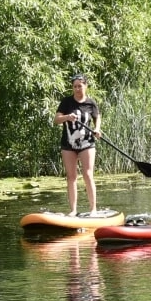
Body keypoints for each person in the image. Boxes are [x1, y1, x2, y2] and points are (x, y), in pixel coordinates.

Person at [53, 73, 100, 217]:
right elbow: (56, 120)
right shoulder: (66, 102)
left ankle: (93, 209)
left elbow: (97, 117)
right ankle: (73, 210)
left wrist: (97, 129)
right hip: (68, 144)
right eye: (75, 86)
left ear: (85, 86)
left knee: (87, 174)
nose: (78, 89)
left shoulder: (91, 103)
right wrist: (67, 117)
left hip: (87, 143)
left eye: (80, 86)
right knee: (71, 176)